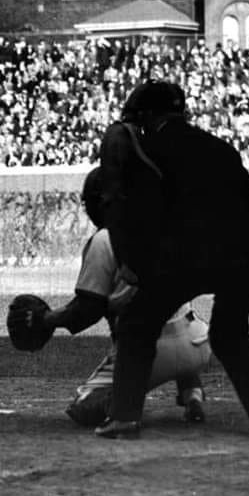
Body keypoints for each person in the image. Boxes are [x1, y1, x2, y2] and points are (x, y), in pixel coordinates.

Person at [96, 81, 249, 439]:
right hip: (244, 250)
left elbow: (128, 208)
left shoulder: (147, 149)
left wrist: (133, 261)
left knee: (137, 325)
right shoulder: (219, 146)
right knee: (230, 334)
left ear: (149, 116)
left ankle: (124, 415)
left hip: (187, 253)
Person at [37, 167, 211, 427]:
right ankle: (192, 393)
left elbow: (87, 310)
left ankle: (125, 404)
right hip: (198, 341)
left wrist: (47, 319)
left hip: (147, 351)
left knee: (82, 407)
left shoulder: (104, 239)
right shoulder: (160, 227)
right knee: (174, 322)